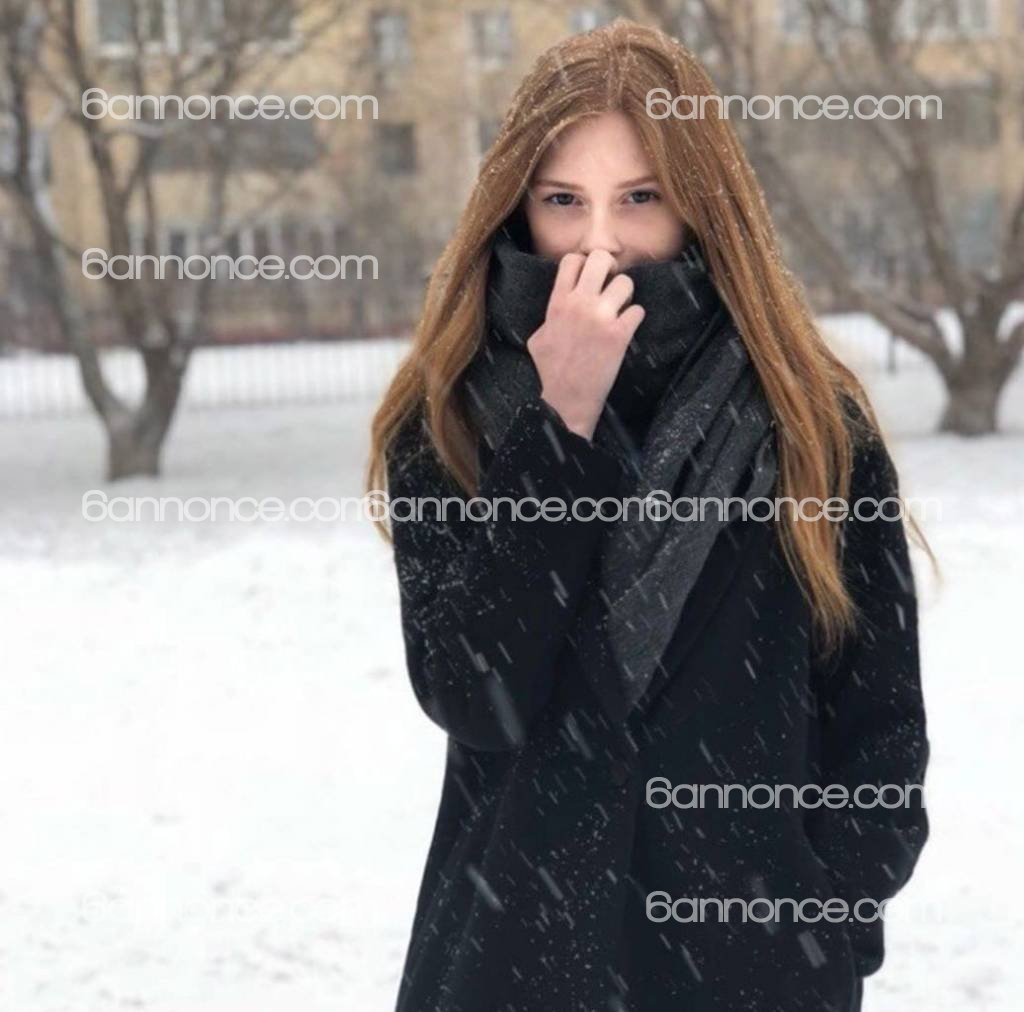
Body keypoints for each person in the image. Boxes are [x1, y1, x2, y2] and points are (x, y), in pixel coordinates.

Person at [367, 19, 930, 1012]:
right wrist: (560, 425)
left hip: (751, 976)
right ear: (515, 208)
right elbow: (477, 695)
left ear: (699, 205)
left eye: (639, 197)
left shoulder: (808, 423)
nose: (600, 241)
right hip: (513, 965)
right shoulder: (452, 418)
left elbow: (878, 731)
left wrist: (823, 930)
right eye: (562, 201)